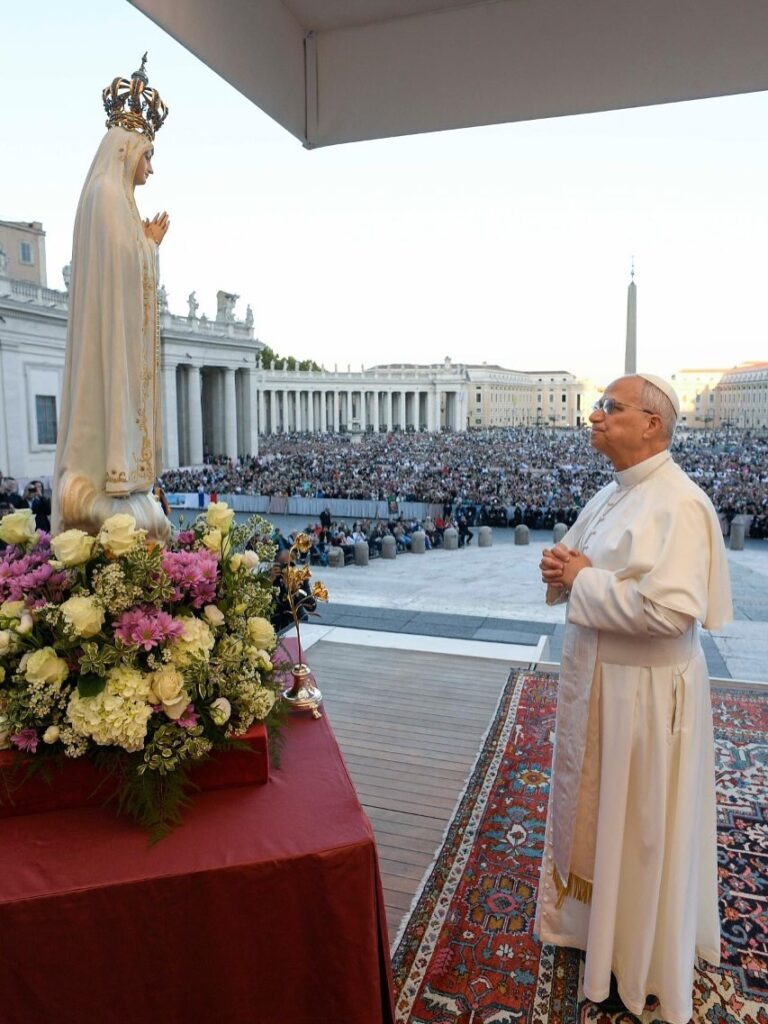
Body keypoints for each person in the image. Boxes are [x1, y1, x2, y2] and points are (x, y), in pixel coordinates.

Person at [534, 373, 732, 1024]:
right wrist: (563, 572)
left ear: (651, 423)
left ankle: (638, 953)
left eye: (609, 407)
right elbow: (584, 567)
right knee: (607, 821)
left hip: (643, 698)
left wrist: (582, 579)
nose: (594, 416)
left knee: (641, 831)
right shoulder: (612, 493)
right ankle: (596, 931)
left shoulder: (679, 503)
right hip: (605, 685)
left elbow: (671, 614)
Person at [52, 55, 170, 541]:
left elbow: (122, 258)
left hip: (114, 332)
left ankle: (126, 478)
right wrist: (149, 247)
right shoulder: (105, 194)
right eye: (148, 156)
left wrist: (143, 244)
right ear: (127, 150)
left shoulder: (114, 197)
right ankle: (115, 473)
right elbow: (120, 267)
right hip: (108, 341)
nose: (151, 169)